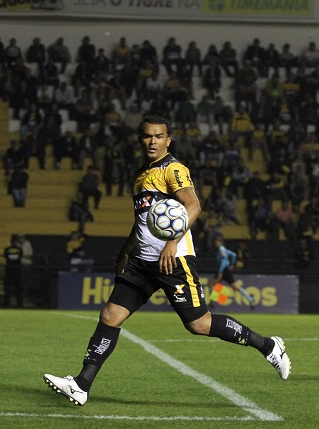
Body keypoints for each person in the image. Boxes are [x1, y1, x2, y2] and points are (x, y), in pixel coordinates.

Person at [43, 115, 291, 407]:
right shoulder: (140, 175)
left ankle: (268, 346)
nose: (152, 141)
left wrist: (172, 243)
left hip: (174, 260)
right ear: (141, 139)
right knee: (110, 315)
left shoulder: (173, 169)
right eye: (148, 136)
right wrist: (125, 251)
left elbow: (193, 205)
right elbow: (142, 222)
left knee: (199, 324)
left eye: (159, 136)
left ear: (167, 140)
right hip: (141, 262)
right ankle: (81, 385)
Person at [209, 236, 255, 310]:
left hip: (223, 270)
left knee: (211, 284)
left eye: (217, 242)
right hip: (226, 270)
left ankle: (212, 303)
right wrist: (232, 264)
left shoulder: (221, 250)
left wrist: (220, 272)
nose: (215, 244)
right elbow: (234, 255)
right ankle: (250, 299)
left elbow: (224, 261)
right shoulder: (224, 249)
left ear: (220, 242)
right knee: (235, 287)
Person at [3, 234, 24, 307]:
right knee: (18, 287)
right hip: (17, 270)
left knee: (7, 287)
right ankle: (19, 303)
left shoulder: (7, 249)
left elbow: (5, 256)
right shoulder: (19, 250)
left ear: (11, 241)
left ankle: (6, 303)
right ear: (16, 241)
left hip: (9, 270)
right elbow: (21, 256)